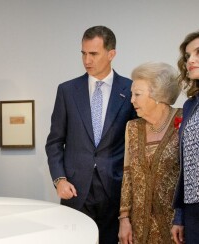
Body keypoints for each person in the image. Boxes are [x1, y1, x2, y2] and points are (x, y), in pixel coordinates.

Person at [45, 25, 136, 244]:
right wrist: (59, 179)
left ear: (111, 54)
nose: (87, 60)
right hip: (75, 191)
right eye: (84, 53)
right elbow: (55, 142)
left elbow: (136, 144)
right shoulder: (67, 91)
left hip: (115, 190)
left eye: (93, 53)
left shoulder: (131, 89)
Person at [118, 62, 182, 244]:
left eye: (137, 94)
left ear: (158, 96)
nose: (132, 100)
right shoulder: (132, 127)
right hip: (137, 230)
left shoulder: (184, 121)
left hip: (175, 230)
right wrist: (124, 219)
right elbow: (128, 175)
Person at [172, 31, 199, 244]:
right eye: (188, 55)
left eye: (198, 53)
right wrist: (179, 216)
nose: (191, 60)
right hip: (192, 208)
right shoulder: (190, 106)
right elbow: (186, 166)